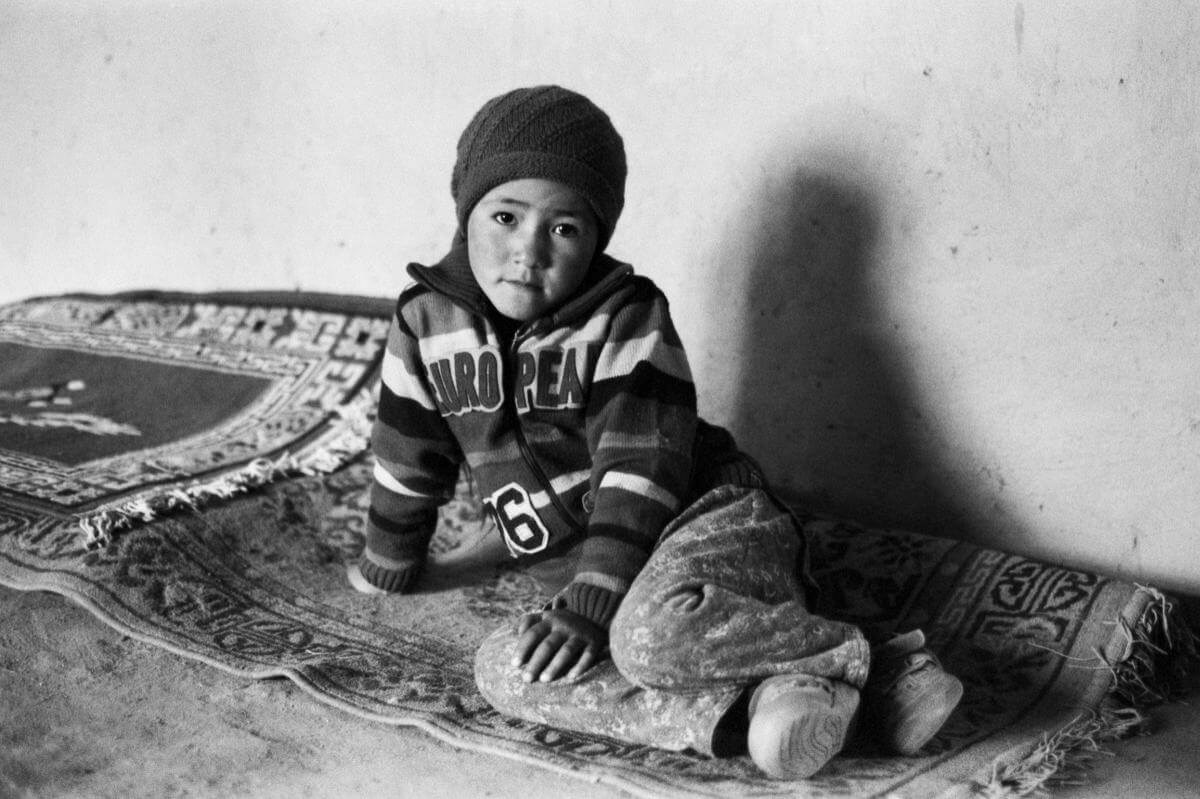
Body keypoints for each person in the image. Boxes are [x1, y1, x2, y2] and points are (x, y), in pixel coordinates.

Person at [348, 85, 962, 779]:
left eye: (563, 228)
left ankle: (884, 663)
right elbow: (407, 451)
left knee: (647, 636)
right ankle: (763, 706)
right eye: (506, 216)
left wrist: (590, 601)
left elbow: (638, 472)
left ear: (596, 237)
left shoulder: (625, 317)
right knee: (504, 670)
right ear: (466, 213)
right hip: (605, 577)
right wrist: (391, 557)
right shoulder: (424, 322)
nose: (528, 251)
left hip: (701, 519)